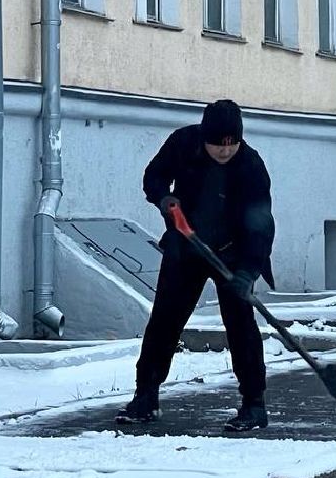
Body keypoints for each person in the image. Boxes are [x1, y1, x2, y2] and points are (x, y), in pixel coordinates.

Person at [117, 99, 275, 431]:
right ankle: (146, 395)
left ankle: (254, 404)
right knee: (164, 321)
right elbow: (154, 176)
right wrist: (164, 198)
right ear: (205, 137)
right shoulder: (183, 144)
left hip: (232, 253)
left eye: (232, 143)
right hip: (186, 247)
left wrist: (248, 272)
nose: (224, 150)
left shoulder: (250, 166)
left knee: (240, 325)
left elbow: (260, 224)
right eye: (218, 143)